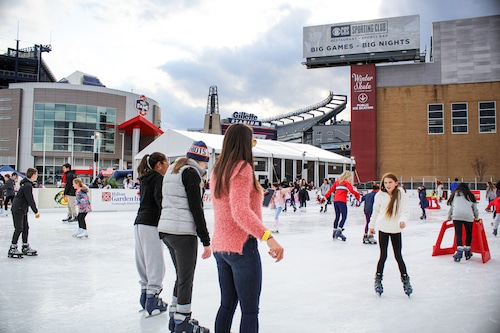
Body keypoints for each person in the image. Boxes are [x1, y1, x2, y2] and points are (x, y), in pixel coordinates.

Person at [210, 123, 284, 333]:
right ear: (244, 142)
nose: (253, 146)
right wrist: (268, 236)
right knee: (249, 311)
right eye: (251, 141)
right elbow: (240, 211)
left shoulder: (218, 169)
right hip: (242, 247)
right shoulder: (242, 168)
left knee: (227, 305)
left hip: (221, 247)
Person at [158, 141, 211, 333]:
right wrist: (205, 239)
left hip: (167, 230)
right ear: (202, 160)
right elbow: (196, 207)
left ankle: (176, 316)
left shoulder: (173, 168)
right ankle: (183, 323)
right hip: (183, 232)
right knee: (186, 277)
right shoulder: (191, 173)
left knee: (181, 275)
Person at [134, 152, 169, 316]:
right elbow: (160, 200)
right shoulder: (158, 178)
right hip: (151, 223)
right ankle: (152, 300)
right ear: (159, 164)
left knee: (143, 260)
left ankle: (145, 295)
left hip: (139, 222)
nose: (168, 166)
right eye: (166, 163)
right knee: (155, 260)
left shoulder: (145, 178)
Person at [368, 173, 411, 297]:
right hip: (383, 228)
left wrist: (403, 221)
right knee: (383, 255)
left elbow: (405, 211)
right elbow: (375, 212)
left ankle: (405, 280)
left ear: (396, 183)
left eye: (390, 182)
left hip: (396, 229)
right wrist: (371, 226)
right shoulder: (379, 195)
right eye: (385, 183)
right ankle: (378, 280)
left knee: (398, 256)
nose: (387, 185)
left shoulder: (401, 194)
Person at [8, 168, 40, 258]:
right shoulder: (27, 185)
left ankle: (25, 245)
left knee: (25, 227)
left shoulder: (27, 183)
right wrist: (36, 211)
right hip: (18, 209)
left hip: (22, 209)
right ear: (33, 175)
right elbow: (30, 199)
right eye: (36, 174)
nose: (37, 176)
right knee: (19, 228)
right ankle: (12, 247)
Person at [323, 170, 361, 241]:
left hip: (335, 201)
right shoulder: (347, 183)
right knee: (344, 216)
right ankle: (339, 230)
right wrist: (357, 195)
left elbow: (331, 190)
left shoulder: (337, 182)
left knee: (337, 216)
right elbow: (351, 191)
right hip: (342, 201)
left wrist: (325, 196)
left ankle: (334, 231)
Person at [447, 183, 480, 262]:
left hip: (457, 215)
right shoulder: (471, 195)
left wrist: (449, 217)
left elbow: (452, 207)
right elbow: (475, 208)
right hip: (468, 216)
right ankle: (468, 250)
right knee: (469, 233)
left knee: (459, 233)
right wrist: (476, 217)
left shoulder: (456, 194)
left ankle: (459, 251)